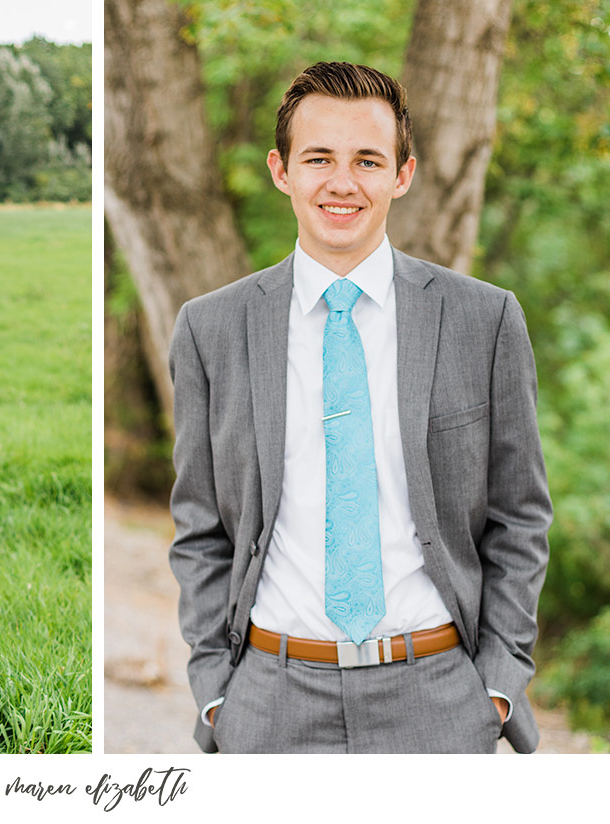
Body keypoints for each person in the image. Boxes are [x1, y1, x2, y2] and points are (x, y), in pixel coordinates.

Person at [168, 62, 551, 753]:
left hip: (439, 699)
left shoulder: (484, 319)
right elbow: (199, 525)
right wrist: (217, 690)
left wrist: (495, 683)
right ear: (281, 171)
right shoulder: (210, 328)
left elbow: (520, 516)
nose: (342, 182)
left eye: (367, 160)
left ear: (401, 175)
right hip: (269, 702)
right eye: (319, 158)